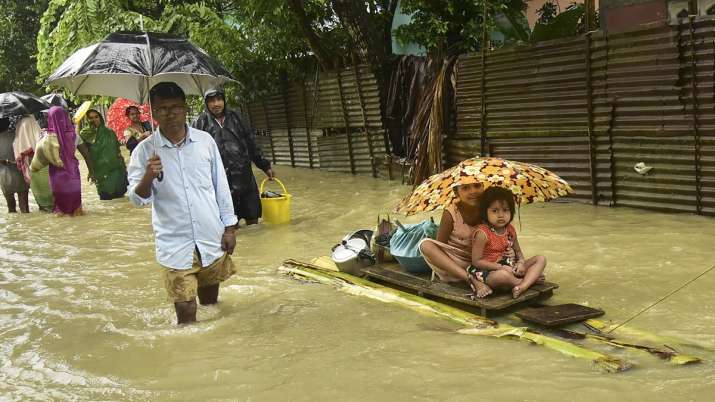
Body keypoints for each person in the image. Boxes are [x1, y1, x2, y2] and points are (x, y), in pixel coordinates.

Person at [127, 82, 238, 325]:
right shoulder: (145, 151)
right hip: (175, 242)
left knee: (211, 301)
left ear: (185, 108)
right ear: (153, 112)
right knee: (187, 311)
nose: (170, 113)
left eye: (176, 107)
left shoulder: (205, 141)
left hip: (210, 236)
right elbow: (137, 200)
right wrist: (148, 175)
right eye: (163, 108)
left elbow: (220, 186)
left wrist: (230, 228)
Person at [192, 88, 274, 226]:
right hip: (219, 183)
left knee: (253, 222)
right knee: (229, 225)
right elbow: (193, 154)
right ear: (206, 103)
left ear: (224, 100)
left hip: (244, 177)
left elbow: (251, 143)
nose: (216, 104)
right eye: (211, 101)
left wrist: (265, 166)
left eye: (219, 99)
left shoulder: (237, 118)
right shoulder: (200, 123)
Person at [419, 178, 499, 298]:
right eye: (465, 188)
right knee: (425, 245)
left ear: (483, 187)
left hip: (482, 261)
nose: (473, 191)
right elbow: (440, 246)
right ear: (457, 193)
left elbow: (502, 236)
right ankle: (469, 279)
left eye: (477, 186)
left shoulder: (491, 209)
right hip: (455, 263)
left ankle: (478, 277)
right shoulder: (451, 213)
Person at [471, 186, 547, 299]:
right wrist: (500, 267)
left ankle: (523, 285)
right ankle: (527, 282)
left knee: (540, 259)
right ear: (484, 212)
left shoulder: (510, 229)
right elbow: (476, 261)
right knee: (502, 276)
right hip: (489, 272)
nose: (501, 215)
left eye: (505, 210)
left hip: (511, 267)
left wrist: (521, 263)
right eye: (495, 211)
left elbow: (518, 251)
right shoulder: (482, 233)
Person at [46, 106, 95, 216]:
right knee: (76, 207)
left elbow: (41, 159)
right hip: (73, 174)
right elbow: (86, 154)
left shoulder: (46, 137)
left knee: (59, 209)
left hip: (56, 176)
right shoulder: (74, 135)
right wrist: (91, 171)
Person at [82, 109, 127, 200]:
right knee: (106, 198)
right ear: (87, 120)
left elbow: (117, 150)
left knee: (120, 199)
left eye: (96, 117)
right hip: (100, 172)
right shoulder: (85, 134)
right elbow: (85, 154)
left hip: (116, 170)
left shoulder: (109, 132)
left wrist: (123, 166)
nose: (94, 119)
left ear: (100, 117)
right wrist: (91, 172)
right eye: (91, 118)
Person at [0, 117, 30, 213]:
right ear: (8, 123)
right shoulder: (17, 136)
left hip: (4, 176)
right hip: (20, 173)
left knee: (11, 209)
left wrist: (5, 161)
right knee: (25, 208)